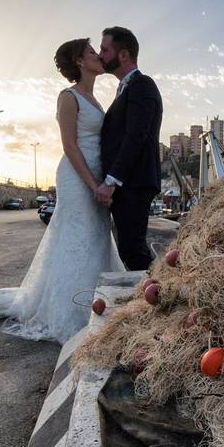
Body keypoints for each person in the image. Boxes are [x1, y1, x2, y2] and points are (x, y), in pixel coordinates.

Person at [0, 39, 124, 343]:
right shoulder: (69, 97)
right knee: (77, 237)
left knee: (95, 235)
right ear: (79, 61)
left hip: (96, 175)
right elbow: (70, 145)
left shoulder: (94, 99)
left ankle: (95, 301)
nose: (98, 56)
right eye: (92, 52)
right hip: (77, 177)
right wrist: (94, 185)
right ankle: (72, 311)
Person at [95, 26, 164, 270]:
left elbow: (136, 136)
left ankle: (155, 301)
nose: (100, 54)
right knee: (130, 249)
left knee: (133, 251)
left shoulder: (142, 85)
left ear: (123, 55)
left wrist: (111, 182)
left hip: (134, 184)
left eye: (104, 49)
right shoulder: (125, 88)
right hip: (129, 184)